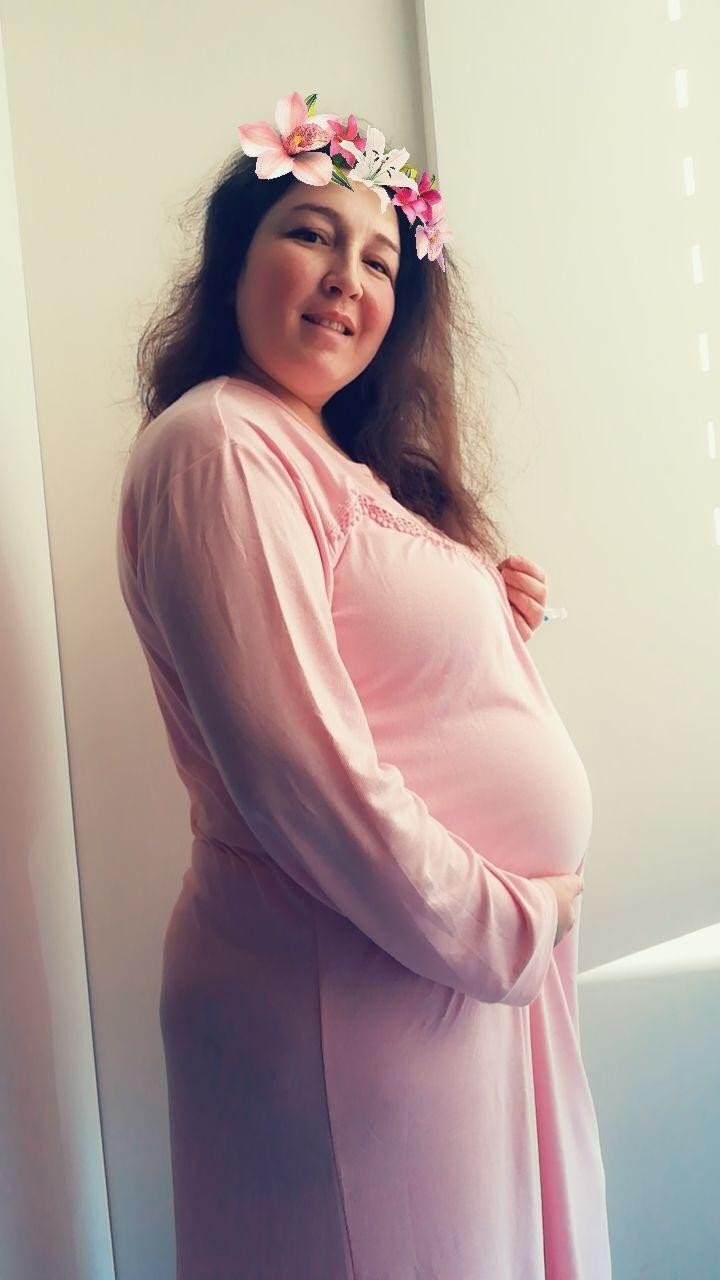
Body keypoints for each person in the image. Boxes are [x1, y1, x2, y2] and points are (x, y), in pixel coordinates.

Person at [116, 91, 611, 1279]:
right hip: (351, 994)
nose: (349, 277)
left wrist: (481, 611)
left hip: (423, 983)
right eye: (311, 234)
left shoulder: (323, 454)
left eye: (381, 260)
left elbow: (381, 675)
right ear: (235, 259)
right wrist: (513, 921)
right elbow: (302, 781)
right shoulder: (218, 443)